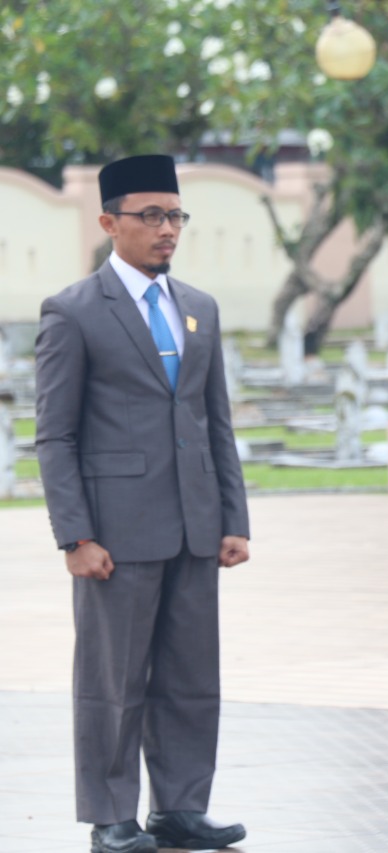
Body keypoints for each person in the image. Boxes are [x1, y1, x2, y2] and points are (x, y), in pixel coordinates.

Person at [34, 154, 249, 853]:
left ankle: (180, 808)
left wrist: (233, 520)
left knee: (192, 679)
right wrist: (76, 536)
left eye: (175, 215)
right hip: (116, 535)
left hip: (195, 527)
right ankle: (111, 815)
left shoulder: (199, 308)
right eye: (150, 215)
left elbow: (216, 422)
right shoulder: (72, 311)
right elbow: (55, 435)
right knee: (112, 682)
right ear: (109, 222)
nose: (167, 229)